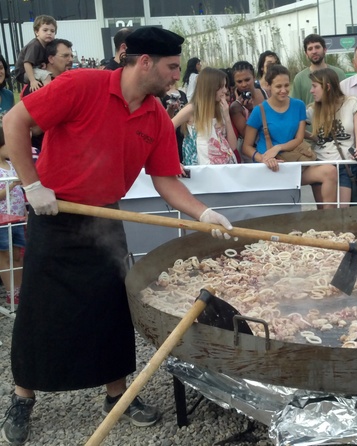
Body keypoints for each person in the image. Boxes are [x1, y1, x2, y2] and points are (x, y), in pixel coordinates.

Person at [0, 27, 233, 446]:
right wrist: (33, 186)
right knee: (41, 310)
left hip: (103, 217)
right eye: (172, 67)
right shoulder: (80, 84)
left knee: (110, 308)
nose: (177, 76)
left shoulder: (156, 114)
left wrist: (203, 212)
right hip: (54, 213)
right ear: (144, 62)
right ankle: (23, 397)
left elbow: (165, 179)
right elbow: (14, 120)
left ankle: (116, 394)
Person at [242, 64, 338, 209]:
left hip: (293, 164)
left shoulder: (298, 105)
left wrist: (278, 148)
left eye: (287, 85)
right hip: (270, 168)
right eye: (278, 86)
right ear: (268, 86)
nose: (284, 90)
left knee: (330, 171)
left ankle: (329, 221)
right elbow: (246, 147)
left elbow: (299, 138)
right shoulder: (259, 111)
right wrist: (264, 159)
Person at [307, 68, 357, 206]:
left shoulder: (351, 102)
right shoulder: (312, 110)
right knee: (324, 213)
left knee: (341, 211)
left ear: (327, 87)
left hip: (344, 164)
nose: (311, 91)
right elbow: (295, 129)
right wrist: (313, 137)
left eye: (314, 86)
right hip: (321, 163)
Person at [172, 67, 237, 165]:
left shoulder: (220, 109)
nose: (225, 90)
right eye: (222, 86)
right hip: (200, 171)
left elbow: (233, 146)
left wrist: (227, 117)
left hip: (223, 169)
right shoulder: (191, 109)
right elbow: (166, 129)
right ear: (211, 87)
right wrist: (173, 161)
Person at [21, 38, 74, 155]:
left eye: (71, 55)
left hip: (66, 151)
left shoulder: (69, 83)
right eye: (65, 56)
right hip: (42, 152)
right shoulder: (36, 86)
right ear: (51, 58)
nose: (70, 59)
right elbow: (30, 127)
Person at [0, 126, 25, 305]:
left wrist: (25, 214)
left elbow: (21, 192)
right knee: (4, 256)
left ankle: (21, 289)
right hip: (2, 219)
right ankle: (11, 292)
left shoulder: (12, 165)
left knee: (17, 254)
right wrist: (12, 185)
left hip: (17, 217)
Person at [291, 34, 346, 105]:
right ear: (306, 54)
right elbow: (295, 106)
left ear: (325, 50)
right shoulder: (299, 79)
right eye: (310, 49)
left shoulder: (338, 73)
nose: (314, 51)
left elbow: (345, 100)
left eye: (317, 47)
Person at [229, 61, 266, 158]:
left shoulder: (264, 93)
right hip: (251, 152)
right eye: (239, 81)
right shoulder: (236, 107)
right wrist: (251, 111)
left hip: (270, 144)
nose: (244, 84)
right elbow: (247, 135)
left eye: (247, 79)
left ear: (254, 78)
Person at [13, 15, 56, 92]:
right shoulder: (34, 45)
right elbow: (27, 63)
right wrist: (32, 80)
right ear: (36, 32)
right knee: (46, 76)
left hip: (33, 69)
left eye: (52, 31)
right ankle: (49, 93)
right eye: (45, 30)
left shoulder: (46, 45)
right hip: (23, 72)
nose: (49, 33)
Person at [160, 83, 188, 163]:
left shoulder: (182, 94)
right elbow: (162, 118)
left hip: (182, 131)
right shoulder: (161, 95)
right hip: (170, 130)